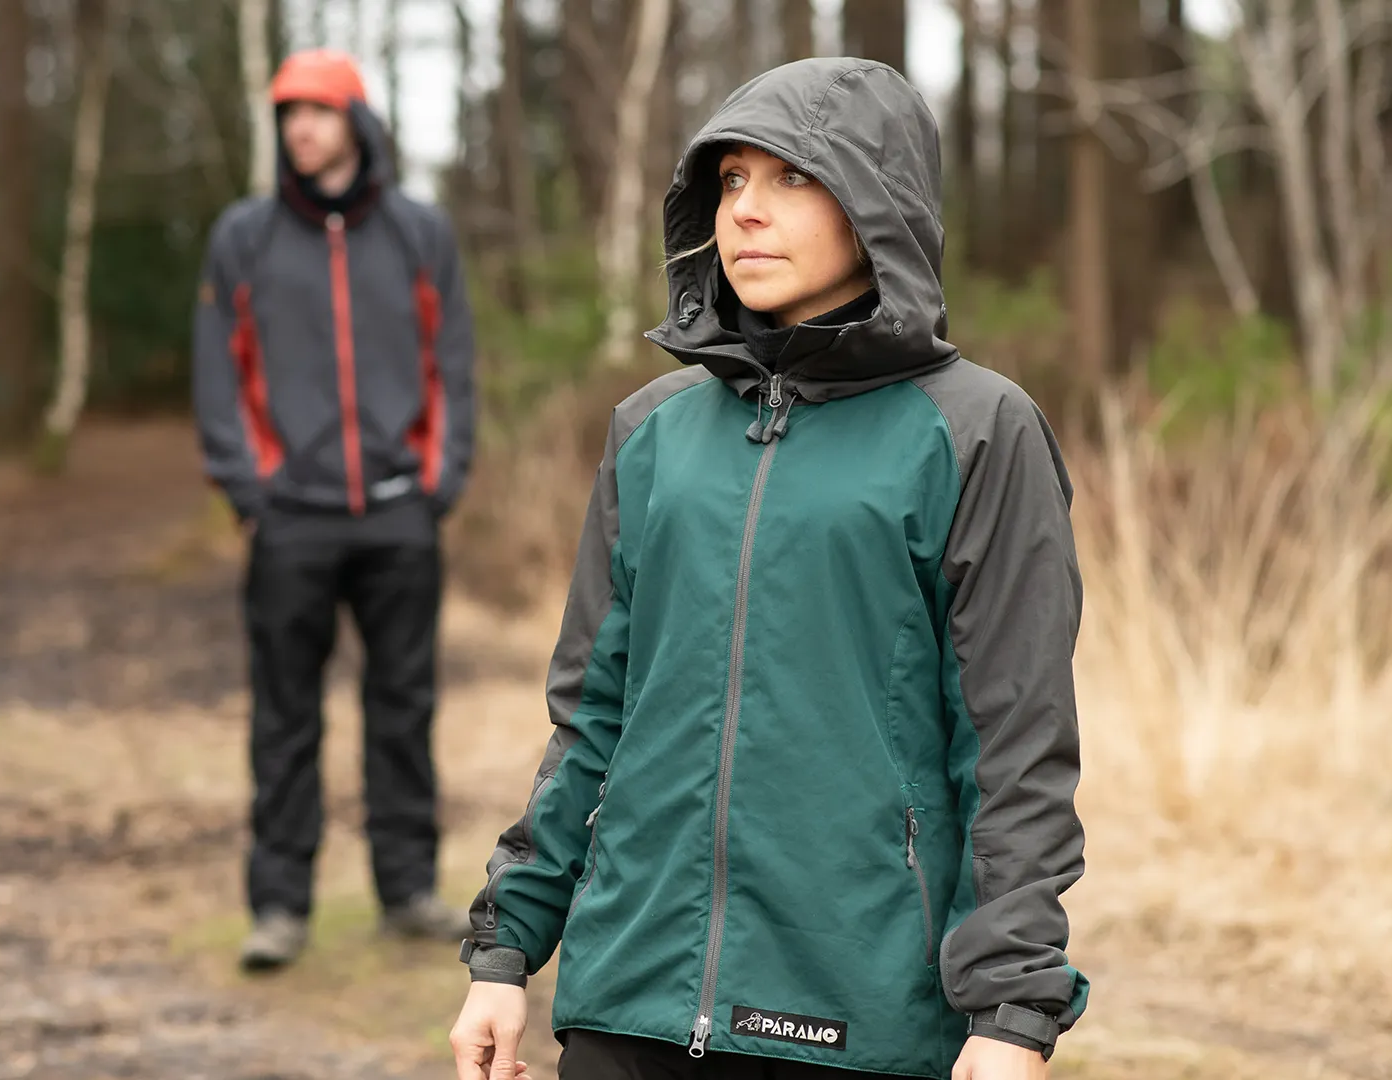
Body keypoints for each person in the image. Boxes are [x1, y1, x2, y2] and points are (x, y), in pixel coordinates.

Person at [451, 56, 1089, 1080]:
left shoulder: (975, 431)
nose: (746, 210)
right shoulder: (652, 432)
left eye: (793, 177)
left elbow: (1015, 743)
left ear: (877, 204)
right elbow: (592, 716)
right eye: (732, 180)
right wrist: (505, 949)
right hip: (631, 997)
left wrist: (1011, 1011)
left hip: (856, 1012)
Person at [192, 49, 476, 972]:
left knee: (404, 710)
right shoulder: (243, 236)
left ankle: (408, 890)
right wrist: (250, 493)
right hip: (291, 522)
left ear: (356, 118)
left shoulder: (420, 232)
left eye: (315, 110)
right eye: (287, 113)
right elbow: (219, 373)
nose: (299, 128)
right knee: (284, 720)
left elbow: (452, 364)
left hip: (399, 516)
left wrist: (438, 484)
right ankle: (279, 906)